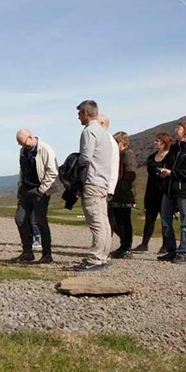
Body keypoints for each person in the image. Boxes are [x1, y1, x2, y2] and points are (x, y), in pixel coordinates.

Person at [74, 100, 112, 271]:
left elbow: (86, 157)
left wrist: (76, 163)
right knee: (103, 221)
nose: (78, 117)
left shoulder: (89, 131)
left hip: (92, 180)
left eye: (79, 113)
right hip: (103, 181)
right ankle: (104, 255)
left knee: (96, 221)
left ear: (86, 113)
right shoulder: (104, 133)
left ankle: (96, 257)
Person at [159, 121, 186, 263]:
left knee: (185, 222)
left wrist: (173, 173)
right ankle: (171, 251)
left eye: (178, 128)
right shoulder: (174, 148)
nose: (175, 130)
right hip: (169, 189)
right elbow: (165, 163)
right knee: (166, 221)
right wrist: (162, 171)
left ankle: (183, 252)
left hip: (183, 191)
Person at [13, 129, 57, 263]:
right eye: (20, 144)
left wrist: (42, 189)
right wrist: (21, 185)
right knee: (20, 219)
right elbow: (22, 169)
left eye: (24, 143)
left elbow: (53, 171)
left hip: (39, 190)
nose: (23, 146)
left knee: (40, 221)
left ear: (31, 137)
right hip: (25, 189)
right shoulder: (24, 151)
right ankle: (27, 252)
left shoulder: (45, 149)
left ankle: (47, 254)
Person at [133, 133, 172, 253]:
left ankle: (166, 245)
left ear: (164, 142)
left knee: (165, 220)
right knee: (149, 219)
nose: (155, 143)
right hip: (151, 192)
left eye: (158, 141)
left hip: (164, 192)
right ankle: (144, 244)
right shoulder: (151, 157)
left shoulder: (170, 157)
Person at [109, 132, 137, 259]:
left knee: (124, 221)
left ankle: (127, 247)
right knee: (118, 220)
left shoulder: (127, 155)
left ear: (121, 143)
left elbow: (130, 173)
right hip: (118, 193)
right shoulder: (119, 155)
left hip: (124, 194)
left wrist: (121, 187)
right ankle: (123, 245)